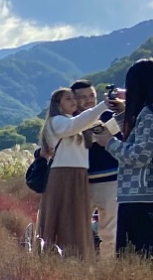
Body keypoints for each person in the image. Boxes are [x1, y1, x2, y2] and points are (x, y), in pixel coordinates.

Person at [36, 85, 115, 258]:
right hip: (64, 176)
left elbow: (105, 132)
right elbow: (77, 124)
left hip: (78, 176)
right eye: (68, 99)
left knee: (76, 221)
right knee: (66, 220)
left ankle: (76, 259)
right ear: (58, 104)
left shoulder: (75, 124)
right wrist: (103, 105)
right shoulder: (57, 122)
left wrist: (122, 111)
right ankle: (59, 259)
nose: (74, 102)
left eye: (73, 98)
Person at [74, 80, 124, 257]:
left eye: (92, 96)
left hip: (111, 180)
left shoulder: (111, 115)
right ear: (74, 100)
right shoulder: (70, 123)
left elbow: (124, 139)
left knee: (110, 232)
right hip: (80, 183)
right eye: (83, 97)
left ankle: (107, 271)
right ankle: (81, 270)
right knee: (77, 231)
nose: (88, 100)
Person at [113, 60, 153, 256]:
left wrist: (108, 142)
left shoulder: (148, 115)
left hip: (140, 197)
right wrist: (123, 115)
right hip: (141, 198)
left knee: (135, 257)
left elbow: (141, 155)